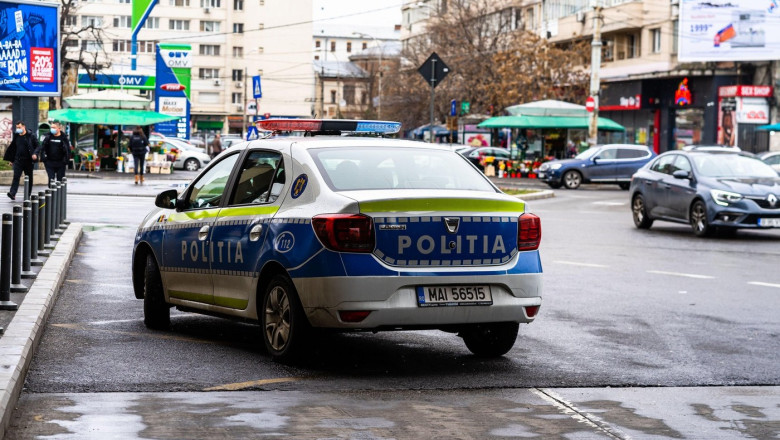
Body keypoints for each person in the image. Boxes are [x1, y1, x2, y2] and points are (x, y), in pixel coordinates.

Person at [4, 121, 40, 201]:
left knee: (29, 178)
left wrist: (35, 154)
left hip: (28, 161)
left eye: (19, 127)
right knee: (16, 177)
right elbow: (14, 148)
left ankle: (28, 194)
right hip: (18, 161)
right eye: (17, 127)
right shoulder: (16, 136)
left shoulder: (31, 136)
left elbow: (38, 146)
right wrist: (11, 159)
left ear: (24, 127)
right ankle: (12, 193)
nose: (18, 129)